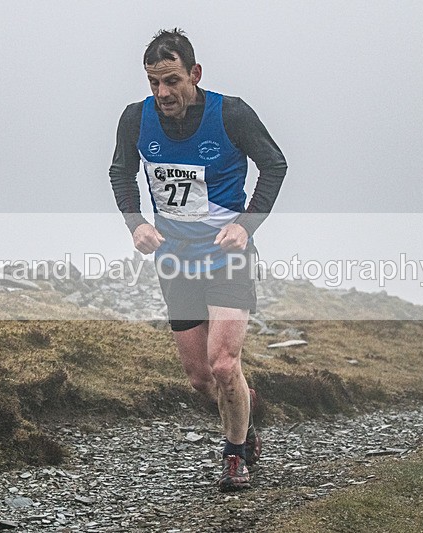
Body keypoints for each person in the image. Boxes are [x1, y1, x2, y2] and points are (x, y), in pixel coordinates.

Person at [108, 28, 287, 491]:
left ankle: (235, 457)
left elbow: (275, 165)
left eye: (172, 81)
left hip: (229, 256)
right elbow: (120, 172)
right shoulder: (135, 119)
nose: (163, 93)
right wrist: (137, 224)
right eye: (154, 83)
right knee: (201, 377)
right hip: (175, 260)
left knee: (225, 363)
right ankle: (244, 410)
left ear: (195, 73)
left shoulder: (231, 113)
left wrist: (245, 227)